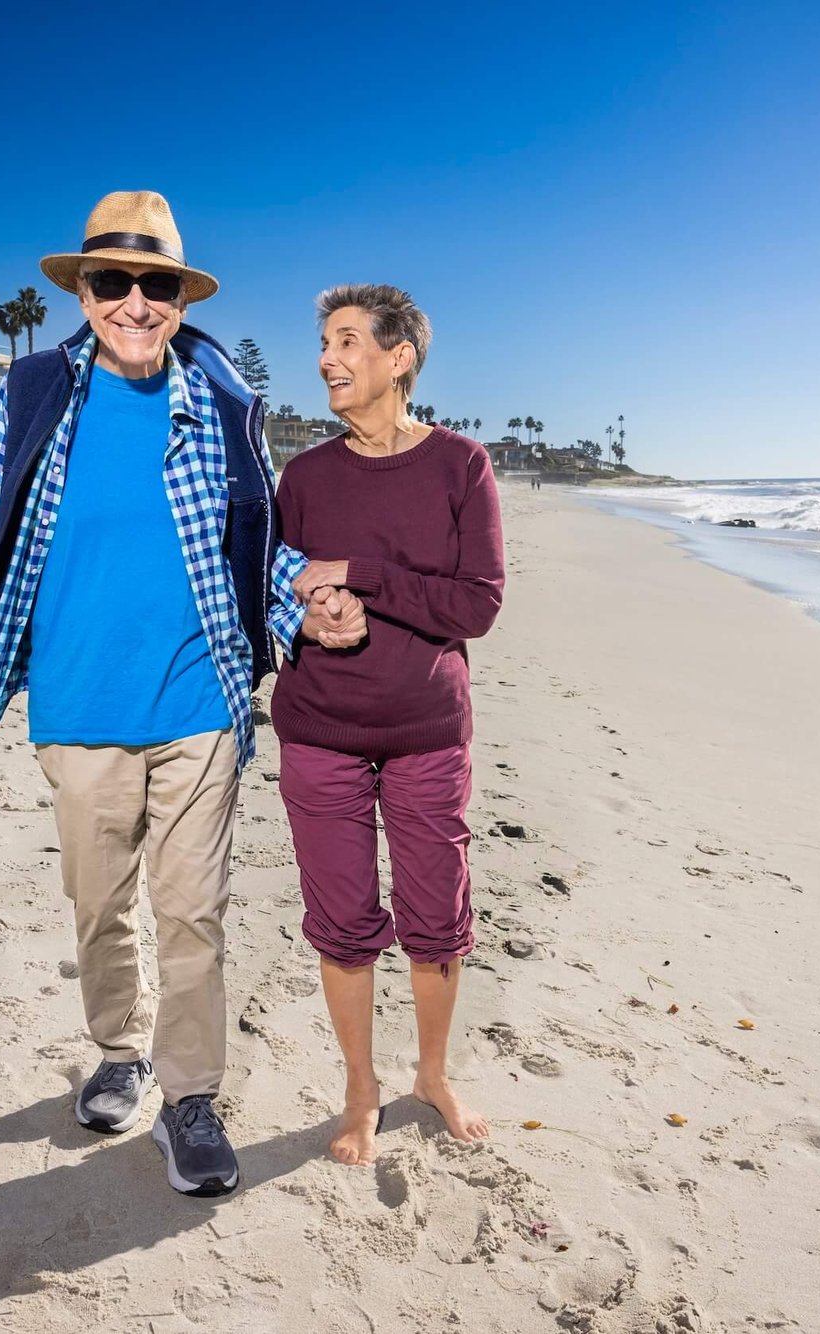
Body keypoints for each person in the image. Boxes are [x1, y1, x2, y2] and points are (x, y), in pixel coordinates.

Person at [0, 191, 366, 1196]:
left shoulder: (220, 400)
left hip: (199, 698)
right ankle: (120, 1048)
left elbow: (256, 546)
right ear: (82, 291)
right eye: (112, 281)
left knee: (192, 912)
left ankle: (187, 1095)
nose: (135, 301)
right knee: (100, 907)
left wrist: (310, 604)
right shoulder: (34, 394)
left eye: (156, 284)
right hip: (79, 703)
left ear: (179, 297)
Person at [272, 284, 506, 1164]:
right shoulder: (305, 476)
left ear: (399, 357)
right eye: (323, 344)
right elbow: (270, 590)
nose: (327, 359)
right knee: (340, 921)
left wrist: (359, 571)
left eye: (345, 342)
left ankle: (433, 1074)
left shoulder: (461, 466)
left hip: (428, 731)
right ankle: (360, 1087)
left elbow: (477, 607)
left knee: (437, 919)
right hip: (319, 730)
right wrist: (312, 605)